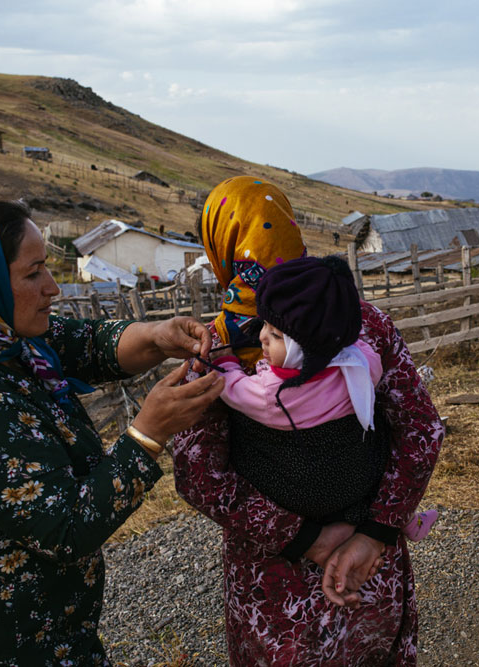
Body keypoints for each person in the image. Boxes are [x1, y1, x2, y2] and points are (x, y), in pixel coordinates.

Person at [0, 197, 224, 666]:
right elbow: (64, 529)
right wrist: (148, 432)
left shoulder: (0, 338)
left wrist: (158, 335)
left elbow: (88, 344)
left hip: (40, 631)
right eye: (33, 273)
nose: (53, 288)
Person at [172, 176, 445, 664]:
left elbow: (199, 474)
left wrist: (306, 540)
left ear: (223, 249)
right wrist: (376, 533)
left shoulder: (215, 348)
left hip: (273, 584)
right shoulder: (359, 320)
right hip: (366, 567)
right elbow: (421, 429)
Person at [212, 255, 439, 542]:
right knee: (379, 446)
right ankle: (407, 522)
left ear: (304, 345)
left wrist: (227, 363)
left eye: (276, 334)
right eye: (264, 326)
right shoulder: (361, 362)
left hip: (311, 496)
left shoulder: (273, 393)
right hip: (361, 479)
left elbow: (232, 389)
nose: (262, 338)